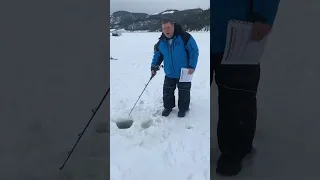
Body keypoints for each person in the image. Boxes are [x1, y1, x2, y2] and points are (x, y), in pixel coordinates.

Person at [211, 0, 280, 176]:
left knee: (237, 96)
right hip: (204, 33)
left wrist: (264, 15)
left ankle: (235, 151)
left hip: (237, 27)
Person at [151, 19, 199, 118]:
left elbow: (194, 52)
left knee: (184, 92)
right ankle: (168, 107)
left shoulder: (185, 37)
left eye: (168, 27)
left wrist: (192, 66)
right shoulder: (161, 42)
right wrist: (154, 67)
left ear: (173, 26)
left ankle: (183, 109)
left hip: (184, 72)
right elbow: (157, 55)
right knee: (167, 91)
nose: (166, 30)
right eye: (164, 28)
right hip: (169, 72)